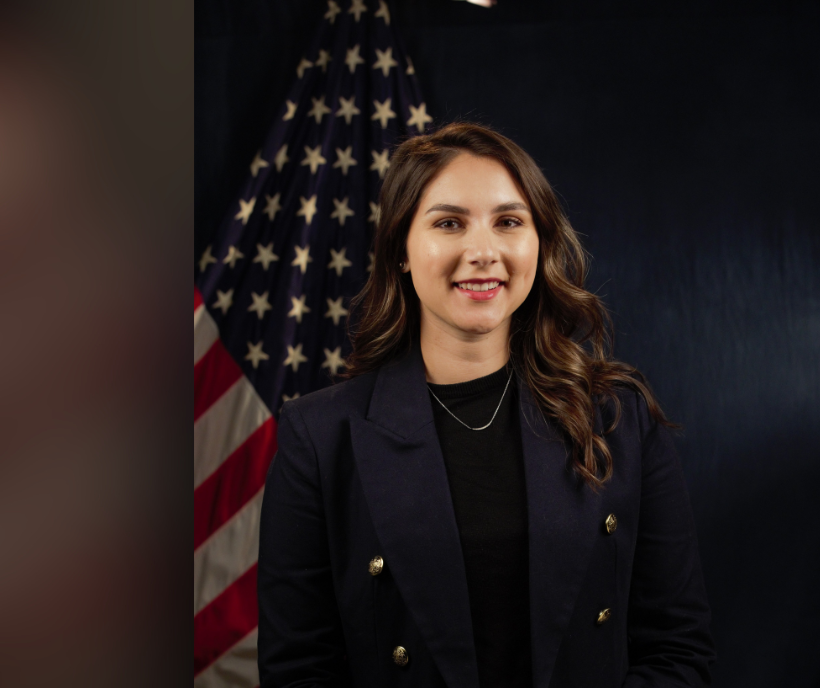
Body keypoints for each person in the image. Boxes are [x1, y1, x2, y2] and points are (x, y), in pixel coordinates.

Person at [257, 122, 715, 687]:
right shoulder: (319, 437)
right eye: (449, 223)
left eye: (509, 222)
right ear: (401, 249)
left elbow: (679, 653)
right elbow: (298, 673)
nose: (483, 252)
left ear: (537, 242)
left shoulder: (620, 419)